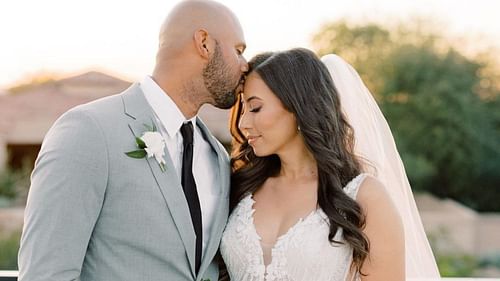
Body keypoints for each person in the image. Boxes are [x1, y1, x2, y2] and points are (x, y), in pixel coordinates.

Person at [18, 1, 248, 280]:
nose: (245, 65)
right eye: (238, 51)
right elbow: (46, 273)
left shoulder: (217, 157)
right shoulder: (89, 132)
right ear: (204, 43)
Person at [220, 48, 440, 280]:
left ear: (298, 107)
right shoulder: (240, 185)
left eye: (255, 108)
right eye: (243, 109)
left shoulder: (363, 196)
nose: (243, 123)